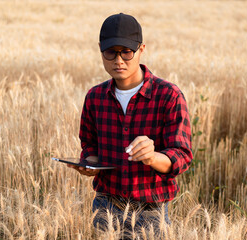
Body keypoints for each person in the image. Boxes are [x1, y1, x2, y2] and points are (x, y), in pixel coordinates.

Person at [68, 13, 193, 238]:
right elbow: (90, 145)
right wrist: (89, 164)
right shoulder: (95, 97)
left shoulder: (168, 95)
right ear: (100, 50)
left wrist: (153, 156)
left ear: (141, 49)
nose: (118, 60)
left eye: (127, 51)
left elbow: (182, 156)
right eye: (110, 52)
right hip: (106, 206)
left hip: (150, 211)